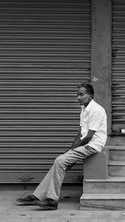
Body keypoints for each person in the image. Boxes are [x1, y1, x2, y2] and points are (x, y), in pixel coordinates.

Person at [16, 82, 107, 210]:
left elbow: (88, 136)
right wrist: (70, 150)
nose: (78, 98)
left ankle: (52, 200)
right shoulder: (84, 110)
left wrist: (72, 151)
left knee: (60, 161)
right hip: (85, 145)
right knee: (59, 162)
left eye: (81, 95)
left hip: (93, 145)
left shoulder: (97, 110)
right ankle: (37, 196)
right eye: (77, 95)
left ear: (90, 96)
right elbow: (80, 133)